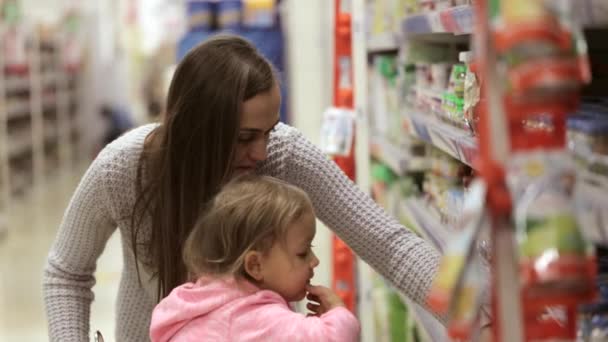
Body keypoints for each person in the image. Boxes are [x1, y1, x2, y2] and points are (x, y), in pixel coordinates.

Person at [42, 34, 443, 341]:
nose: (261, 151)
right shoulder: (124, 168)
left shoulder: (283, 156)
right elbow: (66, 272)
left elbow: (387, 243)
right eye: (244, 136)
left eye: (268, 131)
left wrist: (476, 307)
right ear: (195, 130)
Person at [149, 175, 360, 341]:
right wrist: (337, 314)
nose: (314, 261)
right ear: (255, 265)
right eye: (303, 253)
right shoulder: (253, 316)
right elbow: (333, 338)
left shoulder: (201, 302)